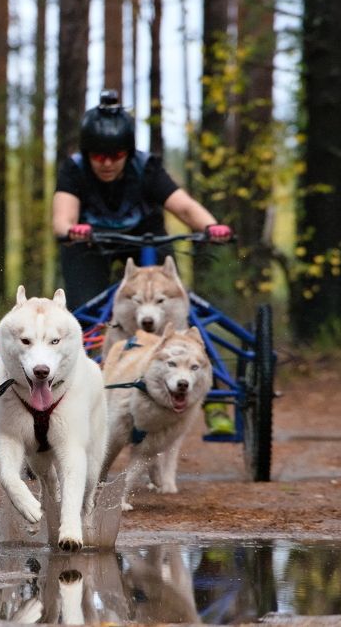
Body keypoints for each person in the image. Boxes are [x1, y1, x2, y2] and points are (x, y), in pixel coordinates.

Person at [52, 89, 235, 435]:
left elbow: (182, 206)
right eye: (98, 155)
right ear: (87, 153)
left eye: (116, 154)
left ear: (128, 152)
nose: (107, 162)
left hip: (146, 244)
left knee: (181, 316)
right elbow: (62, 218)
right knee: (81, 319)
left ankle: (216, 403)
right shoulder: (74, 171)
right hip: (89, 244)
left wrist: (211, 226)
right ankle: (62, 408)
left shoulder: (145, 168)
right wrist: (71, 230)